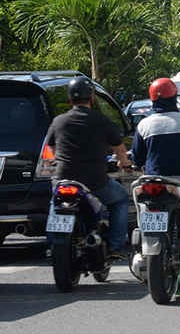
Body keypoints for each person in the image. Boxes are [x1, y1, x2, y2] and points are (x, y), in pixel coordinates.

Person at [43, 77, 133, 260]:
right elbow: (119, 147)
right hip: (95, 182)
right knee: (121, 199)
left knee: (56, 202)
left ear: (70, 99)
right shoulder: (102, 120)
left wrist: (56, 160)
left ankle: (52, 243)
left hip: (63, 179)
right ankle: (115, 246)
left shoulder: (59, 121)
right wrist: (124, 162)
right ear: (91, 98)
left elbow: (50, 148)